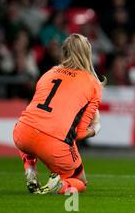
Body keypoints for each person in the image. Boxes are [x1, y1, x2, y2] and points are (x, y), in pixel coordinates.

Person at [13, 33, 105, 194]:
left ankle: (30, 170)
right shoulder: (93, 84)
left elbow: (35, 110)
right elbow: (79, 133)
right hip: (54, 144)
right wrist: (96, 128)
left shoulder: (49, 74)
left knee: (25, 127)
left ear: (64, 52)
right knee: (79, 182)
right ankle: (59, 185)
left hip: (22, 133)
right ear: (87, 54)